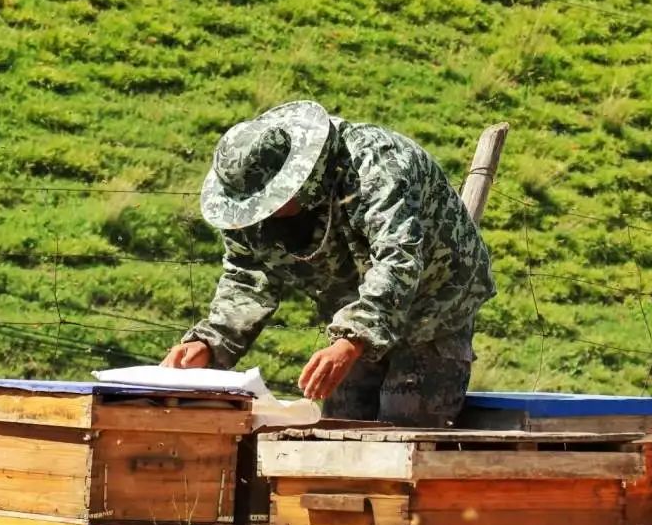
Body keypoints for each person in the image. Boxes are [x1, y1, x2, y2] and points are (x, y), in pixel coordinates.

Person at [161, 100, 495, 427]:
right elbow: (248, 277)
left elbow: (398, 259)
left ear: (299, 179)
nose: (261, 213)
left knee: (405, 433)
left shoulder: (376, 166)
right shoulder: (244, 203)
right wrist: (208, 343)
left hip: (434, 303)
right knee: (342, 429)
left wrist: (352, 338)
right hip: (354, 307)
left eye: (270, 202)